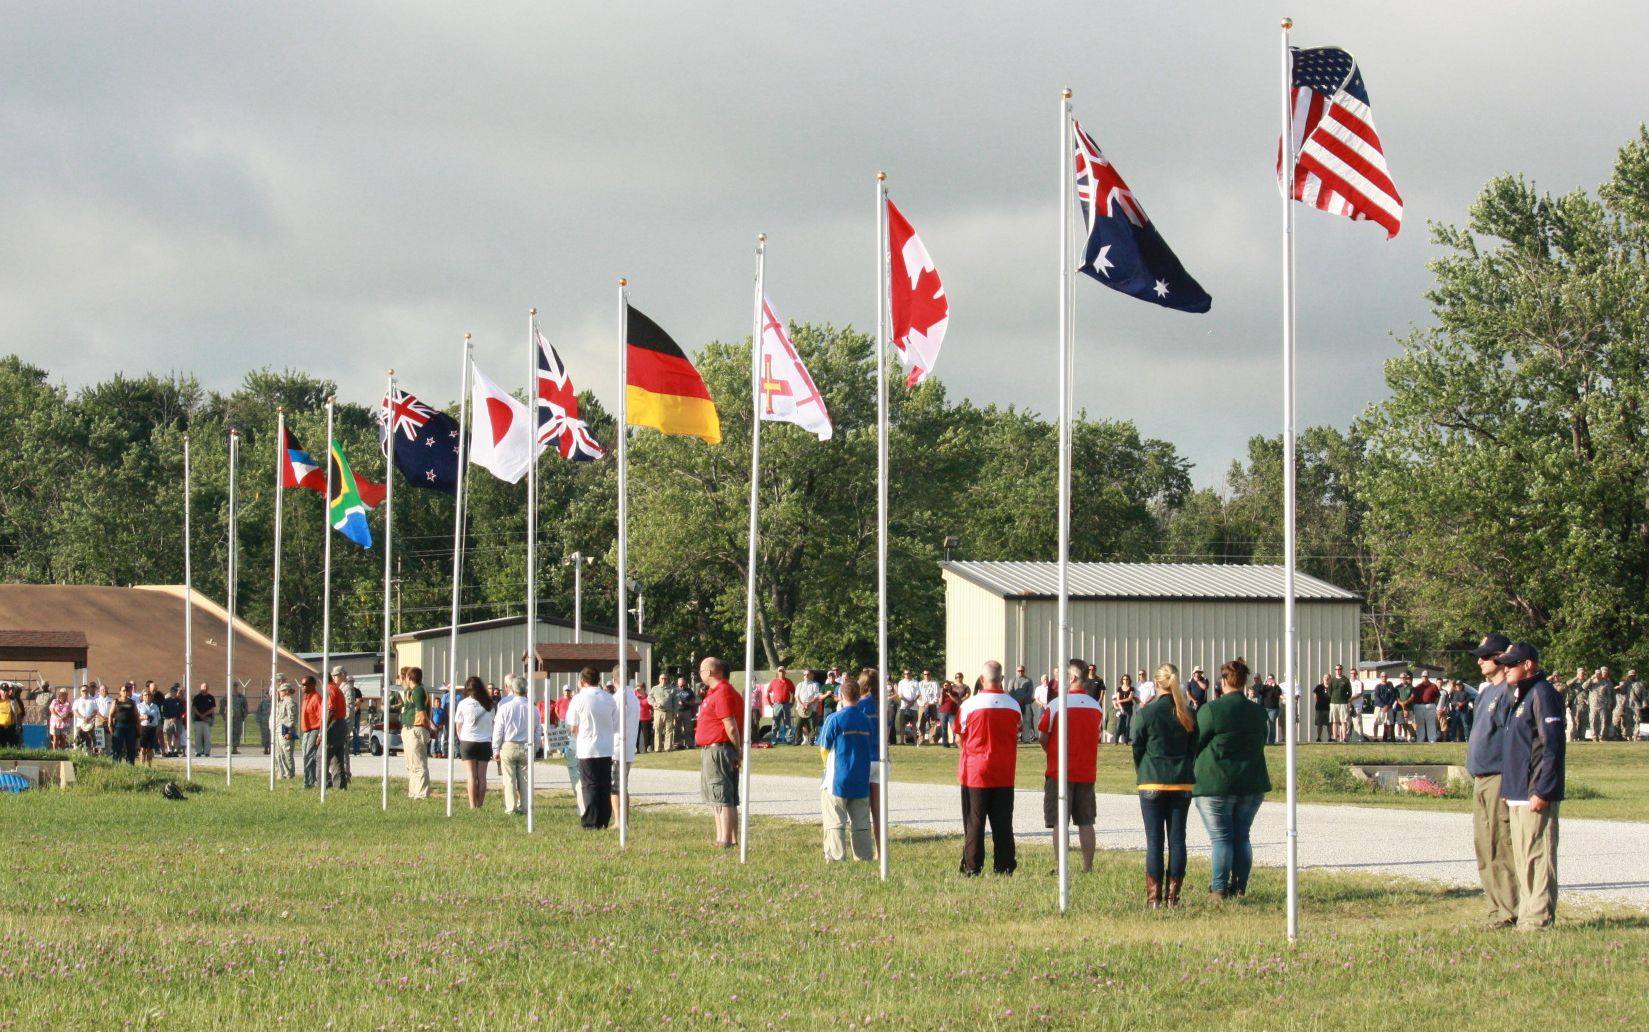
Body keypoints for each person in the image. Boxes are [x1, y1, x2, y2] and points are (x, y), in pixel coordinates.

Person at [1496, 642, 1565, 931]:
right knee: (1524, 858)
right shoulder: (1520, 695)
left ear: (1528, 665)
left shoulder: (1543, 694)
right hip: (1517, 791)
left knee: (1538, 856)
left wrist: (1543, 790)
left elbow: (1552, 747)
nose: (1506, 668)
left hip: (1534, 791)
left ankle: (1537, 919)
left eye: (1512, 663)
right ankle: (1526, 914)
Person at [1193, 657, 1272, 900]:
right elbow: (1262, 740)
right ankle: (1239, 886)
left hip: (1216, 782)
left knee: (1221, 838)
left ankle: (1218, 888)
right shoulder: (1258, 712)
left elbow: (1197, 741)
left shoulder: (1211, 710)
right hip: (1250, 781)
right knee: (1242, 836)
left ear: (1224, 680)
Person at [1464, 633, 1519, 929]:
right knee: (1483, 846)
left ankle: (1510, 909)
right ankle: (1494, 908)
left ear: (1500, 657)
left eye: (1485, 656)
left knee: (1501, 844)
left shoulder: (1509, 692)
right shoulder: (1485, 692)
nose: (1480, 660)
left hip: (1498, 775)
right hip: (1480, 777)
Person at [1132, 662, 1197, 908]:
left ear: (1156, 684)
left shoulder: (1147, 713)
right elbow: (1194, 747)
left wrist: (1143, 770)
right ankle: (1173, 897)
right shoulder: (1187, 712)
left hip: (1151, 780)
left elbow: (1137, 746)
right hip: (1181, 783)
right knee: (1178, 840)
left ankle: (1153, 899)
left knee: (1154, 841)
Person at [1039, 657, 1103, 874]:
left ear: (1072, 677)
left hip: (1059, 771)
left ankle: (1060, 868)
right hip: (1086, 771)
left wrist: (1053, 753)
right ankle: (1088, 867)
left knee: (1060, 822)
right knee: (1086, 821)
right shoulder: (1096, 707)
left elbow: (1043, 736)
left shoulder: (1056, 705)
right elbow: (1096, 737)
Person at [957, 660, 1021, 876]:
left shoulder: (969, 705)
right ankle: (1004, 865)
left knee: (974, 820)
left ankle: (972, 866)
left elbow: (959, 736)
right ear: (1001, 679)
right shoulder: (1013, 705)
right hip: (1004, 770)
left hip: (975, 771)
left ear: (982, 679)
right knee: (1003, 822)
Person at [817, 676, 875, 862]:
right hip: (861, 777)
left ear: (841, 695)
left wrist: (826, 767)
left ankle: (835, 856)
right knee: (861, 822)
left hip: (838, 778)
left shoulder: (834, 719)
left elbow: (824, 748)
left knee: (835, 820)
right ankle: (864, 856)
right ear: (858, 696)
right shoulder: (866, 721)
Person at [695, 657, 744, 847]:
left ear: (710, 672)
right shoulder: (717, 692)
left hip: (719, 749)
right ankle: (726, 837)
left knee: (721, 795)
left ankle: (725, 839)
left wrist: (737, 749)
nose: (700, 674)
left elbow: (730, 725)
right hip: (719, 749)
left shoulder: (722, 692)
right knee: (722, 797)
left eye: (701, 670)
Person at [565, 667, 618, 828]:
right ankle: (603, 818)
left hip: (587, 747)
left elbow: (572, 726)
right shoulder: (609, 699)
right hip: (606, 747)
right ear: (599, 680)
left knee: (589, 785)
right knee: (604, 784)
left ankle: (590, 820)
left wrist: (578, 736)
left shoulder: (579, 699)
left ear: (582, 681)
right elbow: (614, 724)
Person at [492, 675, 538, 816]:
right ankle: (525, 807)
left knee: (509, 779)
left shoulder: (505, 707)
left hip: (509, 745)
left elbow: (498, 730)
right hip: (526, 745)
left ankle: (511, 808)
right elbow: (537, 729)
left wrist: (495, 748)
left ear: (512, 688)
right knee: (525, 779)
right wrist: (536, 748)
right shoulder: (533, 708)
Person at [453, 676, 494, 810]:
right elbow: (492, 724)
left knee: (471, 776)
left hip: (467, 741)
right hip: (484, 742)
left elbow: (458, 726)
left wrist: (462, 739)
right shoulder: (489, 705)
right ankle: (480, 805)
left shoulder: (463, 704)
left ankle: (472, 805)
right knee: (482, 777)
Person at [611, 671, 642, 821]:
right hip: (628, 746)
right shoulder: (633, 697)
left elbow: (613, 723)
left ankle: (619, 821)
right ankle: (623, 820)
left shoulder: (618, 698)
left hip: (618, 747)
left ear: (614, 679)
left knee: (615, 788)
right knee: (622, 785)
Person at [398, 666, 431, 798]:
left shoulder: (418, 691)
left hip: (416, 728)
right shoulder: (410, 692)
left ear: (410, 677)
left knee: (419, 764)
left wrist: (428, 729)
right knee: (411, 764)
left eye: (406, 676)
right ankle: (413, 792)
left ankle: (421, 794)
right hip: (409, 728)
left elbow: (422, 713)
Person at [323, 672, 351, 788]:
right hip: (341, 723)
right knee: (338, 757)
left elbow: (331, 710)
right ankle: (340, 785)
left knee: (324, 755)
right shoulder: (337, 689)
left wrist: (324, 728)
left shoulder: (330, 689)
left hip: (334, 723)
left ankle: (324, 782)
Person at [299, 677, 323, 787]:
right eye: (302, 685)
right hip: (306, 731)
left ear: (312, 685)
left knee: (309, 756)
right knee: (305, 756)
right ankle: (309, 780)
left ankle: (309, 782)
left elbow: (322, 717)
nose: (303, 687)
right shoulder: (306, 698)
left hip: (314, 730)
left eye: (305, 685)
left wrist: (320, 733)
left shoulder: (316, 698)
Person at [107, 683, 139, 764]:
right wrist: (110, 726)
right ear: (120, 692)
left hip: (130, 727)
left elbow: (136, 715)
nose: (125, 692)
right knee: (117, 747)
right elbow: (110, 714)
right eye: (123, 691)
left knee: (131, 747)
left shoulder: (132, 702)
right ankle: (116, 764)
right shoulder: (116, 702)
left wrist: (138, 728)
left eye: (127, 691)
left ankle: (130, 765)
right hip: (118, 727)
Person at [274, 682, 298, 779]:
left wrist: (288, 732)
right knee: (280, 754)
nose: (280, 693)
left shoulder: (289, 702)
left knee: (287, 753)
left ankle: (289, 775)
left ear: (287, 691)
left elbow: (292, 719)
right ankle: (282, 774)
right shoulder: (282, 702)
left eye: (282, 691)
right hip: (280, 730)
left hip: (286, 730)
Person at [1586, 667, 1615, 742]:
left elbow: (1610, 695)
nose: (1603, 674)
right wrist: (1591, 678)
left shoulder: (1607, 683)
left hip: (1603, 705)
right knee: (1593, 721)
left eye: (1605, 672)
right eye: (1602, 673)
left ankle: (1602, 737)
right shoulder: (1592, 681)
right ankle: (1594, 737)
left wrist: (1610, 704)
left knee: (1603, 722)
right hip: (1593, 705)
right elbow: (1584, 687)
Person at [1411, 672, 1441, 743]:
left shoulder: (1433, 686)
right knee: (1420, 724)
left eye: (1426, 676)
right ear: (1421, 677)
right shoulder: (1418, 686)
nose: (1425, 678)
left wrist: (1434, 705)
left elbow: (1438, 697)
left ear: (1428, 677)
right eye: (1423, 676)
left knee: (1431, 724)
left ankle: (1432, 740)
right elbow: (1413, 698)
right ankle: (1420, 740)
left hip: (1430, 706)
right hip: (1419, 706)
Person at [795, 669, 822, 746]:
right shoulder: (799, 685)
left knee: (812, 726)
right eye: (804, 675)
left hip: (812, 708)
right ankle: (797, 741)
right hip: (801, 708)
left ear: (811, 675)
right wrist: (803, 705)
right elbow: (796, 696)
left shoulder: (815, 685)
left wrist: (808, 704)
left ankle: (811, 741)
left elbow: (817, 696)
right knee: (798, 725)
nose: (806, 676)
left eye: (807, 674)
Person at [648, 674, 675, 753]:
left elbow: (675, 701)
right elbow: (649, 698)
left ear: (667, 680)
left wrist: (675, 711)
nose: (664, 680)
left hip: (669, 712)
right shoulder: (654, 688)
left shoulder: (671, 689)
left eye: (665, 678)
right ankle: (657, 748)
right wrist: (654, 703)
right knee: (657, 730)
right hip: (658, 712)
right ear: (659, 679)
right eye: (662, 678)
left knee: (669, 730)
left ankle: (668, 748)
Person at [136, 685, 162, 766]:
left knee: (150, 749)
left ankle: (149, 765)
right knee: (143, 748)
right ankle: (142, 765)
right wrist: (143, 717)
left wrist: (158, 729)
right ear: (142, 697)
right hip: (143, 728)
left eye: (149, 695)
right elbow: (136, 717)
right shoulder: (139, 706)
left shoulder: (155, 706)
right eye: (145, 695)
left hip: (153, 728)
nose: (147, 696)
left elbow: (158, 719)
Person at [1327, 664, 1353, 743]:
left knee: (1344, 721)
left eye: (1339, 669)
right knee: (1334, 721)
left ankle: (1344, 738)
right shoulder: (1332, 680)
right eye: (1336, 669)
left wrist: (1345, 699)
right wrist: (1333, 698)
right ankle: (1335, 737)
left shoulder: (1345, 680)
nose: (1338, 670)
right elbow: (1329, 692)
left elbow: (1350, 692)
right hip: (1334, 703)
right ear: (1335, 670)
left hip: (1343, 703)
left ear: (1342, 670)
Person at [191, 682, 216, 758]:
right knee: (198, 737)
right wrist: (200, 715)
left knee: (207, 737)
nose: (204, 689)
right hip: (198, 720)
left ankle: (207, 752)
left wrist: (204, 715)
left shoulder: (211, 698)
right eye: (203, 687)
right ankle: (198, 752)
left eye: (205, 687)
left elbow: (212, 709)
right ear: (200, 688)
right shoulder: (197, 697)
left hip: (207, 720)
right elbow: (194, 708)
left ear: (208, 688)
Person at [161, 684, 185, 756]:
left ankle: (175, 751)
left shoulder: (179, 701)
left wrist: (176, 717)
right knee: (168, 736)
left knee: (177, 735)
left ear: (176, 692)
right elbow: (164, 711)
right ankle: (169, 750)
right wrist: (170, 718)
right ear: (170, 692)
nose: (173, 692)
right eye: (172, 691)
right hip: (168, 720)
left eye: (175, 691)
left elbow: (181, 711)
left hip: (177, 720)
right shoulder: (166, 701)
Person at [254, 684, 274, 756]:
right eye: (267, 694)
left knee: (272, 735)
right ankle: (266, 748)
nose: (269, 696)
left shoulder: (274, 702)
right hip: (264, 722)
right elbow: (258, 711)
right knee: (265, 736)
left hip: (272, 722)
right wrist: (258, 720)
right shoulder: (263, 702)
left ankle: (272, 749)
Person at [1310, 676, 1331, 744]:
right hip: (1320, 708)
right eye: (1325, 678)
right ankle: (1319, 737)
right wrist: (1318, 701)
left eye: (1328, 678)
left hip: (1329, 708)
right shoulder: (1319, 686)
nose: (1326, 679)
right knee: (1319, 724)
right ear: (1323, 679)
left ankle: (1330, 737)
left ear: (1329, 679)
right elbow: (1315, 694)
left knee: (1329, 724)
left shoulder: (1331, 687)